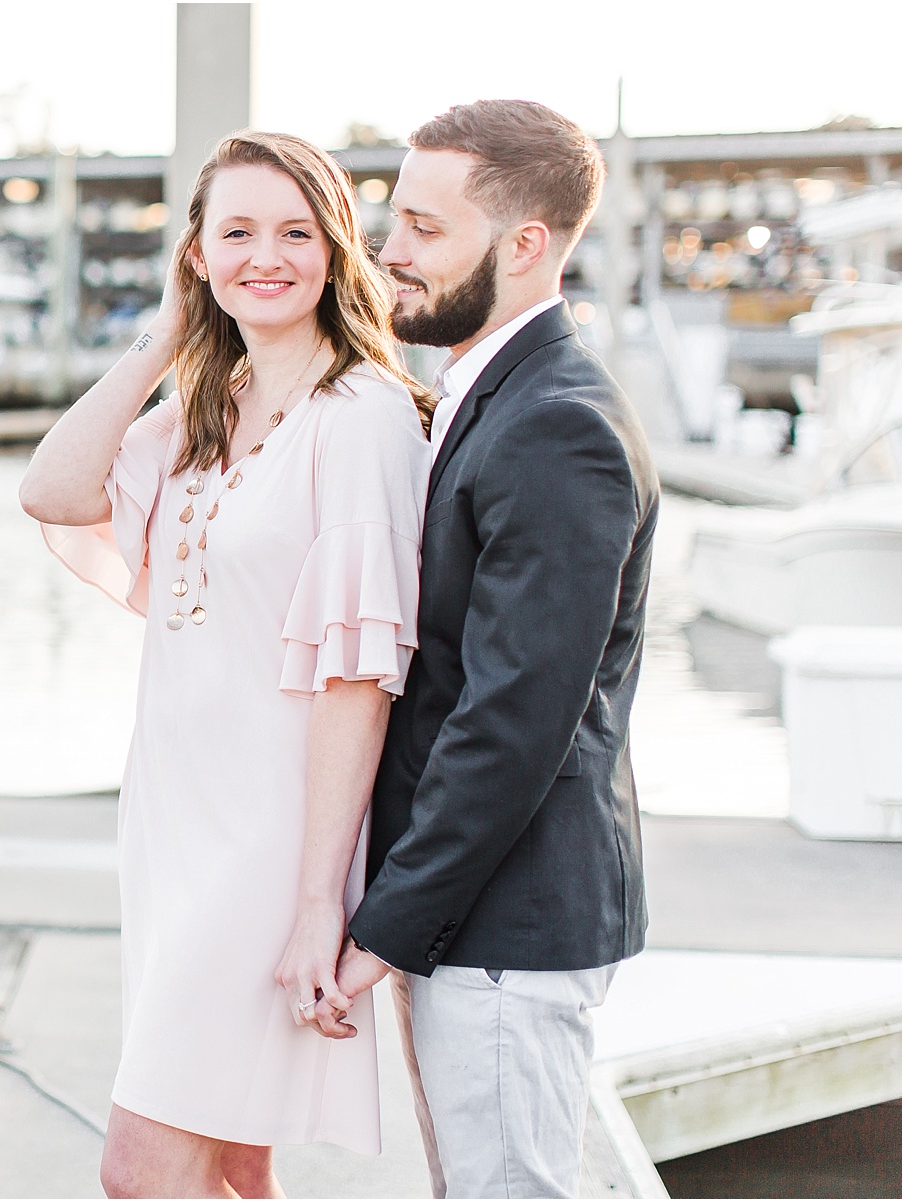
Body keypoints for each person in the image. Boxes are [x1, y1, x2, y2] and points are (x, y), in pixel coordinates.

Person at [20, 130, 433, 1199]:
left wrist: (317, 902)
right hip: (175, 825)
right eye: (236, 230)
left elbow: (358, 676)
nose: (268, 255)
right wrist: (164, 334)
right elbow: (56, 491)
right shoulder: (212, 403)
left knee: (142, 1168)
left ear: (338, 252)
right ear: (196, 253)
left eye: (297, 231)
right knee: (235, 1159)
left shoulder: (364, 416)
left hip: (273, 845)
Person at [324, 100, 660, 1199]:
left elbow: (514, 717)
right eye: (394, 221)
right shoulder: (484, 393)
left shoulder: (557, 423)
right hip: (477, 914)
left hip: (505, 923)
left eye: (425, 227)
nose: (390, 251)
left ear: (524, 245)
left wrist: (388, 922)